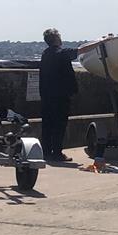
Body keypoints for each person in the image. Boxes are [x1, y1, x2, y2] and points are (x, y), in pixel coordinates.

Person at [39, 28, 79, 162]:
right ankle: (57, 153)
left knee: (47, 125)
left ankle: (46, 152)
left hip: (46, 96)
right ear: (56, 39)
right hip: (60, 97)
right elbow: (79, 51)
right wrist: (100, 42)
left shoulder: (45, 54)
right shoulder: (61, 53)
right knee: (59, 125)